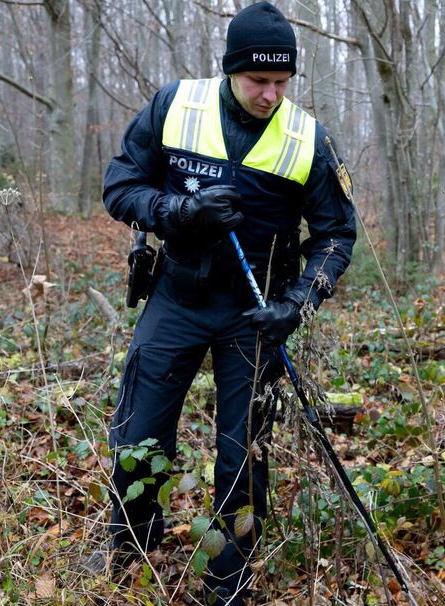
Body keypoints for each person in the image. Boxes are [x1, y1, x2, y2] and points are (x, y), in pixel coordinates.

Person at [96, 3, 357, 604]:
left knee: (242, 453)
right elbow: (120, 186)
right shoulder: (175, 106)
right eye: (258, 80)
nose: (271, 95)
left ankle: (227, 580)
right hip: (177, 296)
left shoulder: (309, 140)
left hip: (255, 313)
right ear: (230, 69)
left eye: (282, 82)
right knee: (139, 433)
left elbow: (336, 237)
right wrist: (179, 211)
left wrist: (298, 303)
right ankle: (131, 551)